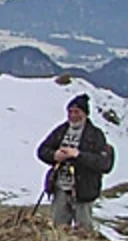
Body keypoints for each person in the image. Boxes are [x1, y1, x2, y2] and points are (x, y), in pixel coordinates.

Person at [36, 94, 113, 232]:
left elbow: (104, 163)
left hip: (83, 190)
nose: (72, 116)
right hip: (60, 188)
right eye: (70, 112)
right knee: (58, 229)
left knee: (84, 231)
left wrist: (78, 155)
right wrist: (54, 155)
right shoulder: (61, 131)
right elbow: (42, 151)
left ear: (85, 114)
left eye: (76, 112)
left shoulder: (95, 134)